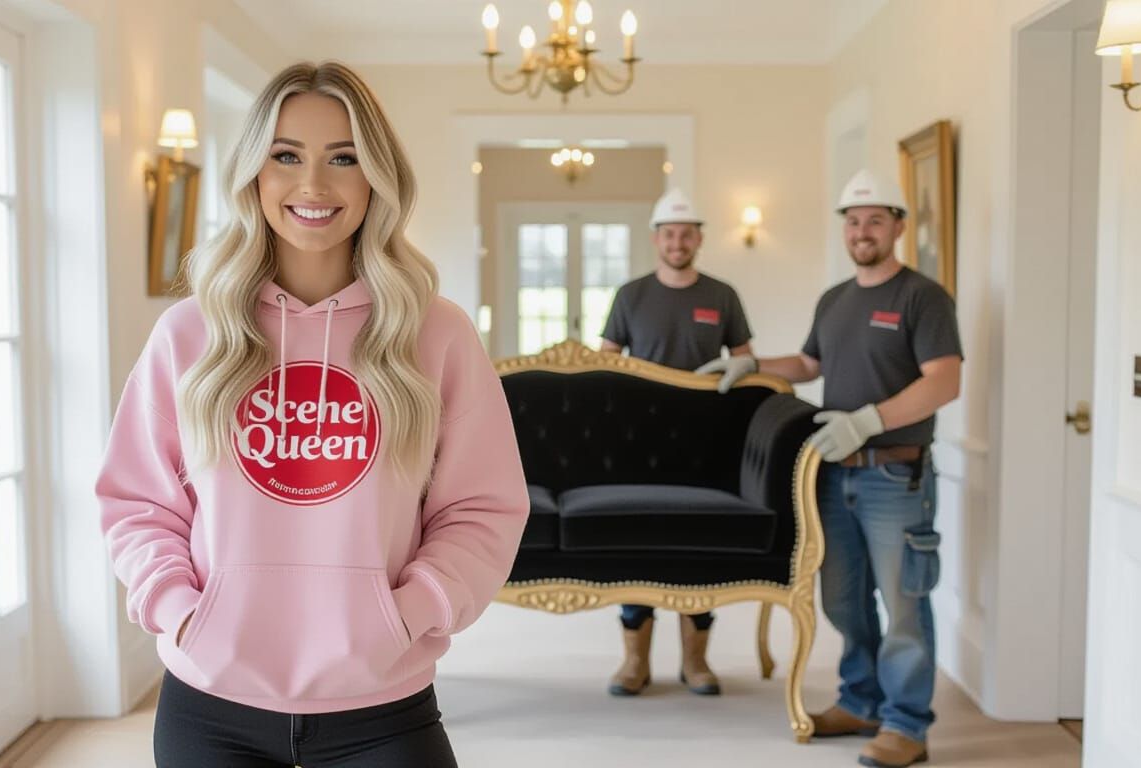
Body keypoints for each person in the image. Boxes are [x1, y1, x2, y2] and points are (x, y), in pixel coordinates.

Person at [96, 61, 528, 768]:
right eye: (286, 156)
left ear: (376, 178)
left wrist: (405, 615)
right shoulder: (189, 333)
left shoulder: (436, 333)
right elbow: (136, 503)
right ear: (253, 175)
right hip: (211, 705)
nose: (314, 186)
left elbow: (483, 511)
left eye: (344, 158)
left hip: (383, 707)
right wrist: (180, 610)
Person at [698, 169, 962, 768]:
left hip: (896, 477)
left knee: (904, 603)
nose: (861, 230)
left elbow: (945, 379)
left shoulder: (922, 297)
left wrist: (869, 420)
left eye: (873, 220)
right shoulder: (836, 299)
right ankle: (861, 701)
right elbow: (811, 362)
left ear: (897, 225)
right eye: (852, 221)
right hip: (834, 474)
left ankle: (906, 725)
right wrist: (754, 365)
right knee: (844, 601)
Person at [598, 187, 754, 697]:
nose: (678, 241)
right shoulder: (631, 295)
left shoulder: (722, 295)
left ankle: (696, 662)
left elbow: (745, 358)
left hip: (708, 440)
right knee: (637, 543)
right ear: (657, 239)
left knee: (697, 546)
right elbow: (606, 360)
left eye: (687, 233)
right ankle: (634, 663)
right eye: (670, 233)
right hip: (638, 443)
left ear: (699, 239)